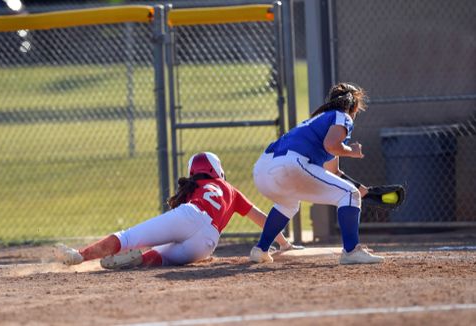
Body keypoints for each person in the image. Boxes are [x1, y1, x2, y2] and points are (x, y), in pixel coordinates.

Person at [56, 152, 301, 269]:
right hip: (206, 243)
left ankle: (80, 255)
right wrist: (282, 243)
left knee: (129, 237)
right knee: (163, 257)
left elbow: (183, 217)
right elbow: (262, 218)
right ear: (218, 170)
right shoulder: (230, 189)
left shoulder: (195, 187)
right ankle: (141, 259)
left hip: (190, 215)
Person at [250, 82, 385, 265]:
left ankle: (261, 250)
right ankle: (351, 251)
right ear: (352, 105)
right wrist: (352, 151)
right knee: (348, 195)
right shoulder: (342, 116)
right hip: (291, 164)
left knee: (288, 204)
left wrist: (361, 189)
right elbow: (331, 145)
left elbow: (333, 172)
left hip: (262, 172)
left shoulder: (319, 120)